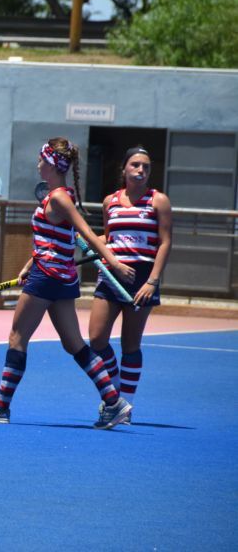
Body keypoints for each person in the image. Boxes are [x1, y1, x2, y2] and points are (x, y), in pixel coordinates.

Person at [0, 137, 137, 429]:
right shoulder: (59, 196)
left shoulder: (59, 198)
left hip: (47, 278)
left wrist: (116, 264)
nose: (38, 164)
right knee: (75, 345)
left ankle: (0, 406)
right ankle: (113, 402)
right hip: (59, 276)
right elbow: (56, 241)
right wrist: (28, 265)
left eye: (42, 160)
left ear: (53, 165)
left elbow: (89, 236)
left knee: (17, 337)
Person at [88, 146, 172, 424]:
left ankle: (127, 405)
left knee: (130, 344)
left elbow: (166, 242)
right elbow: (110, 237)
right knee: (97, 339)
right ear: (124, 169)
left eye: (146, 167)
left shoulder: (158, 201)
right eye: (135, 165)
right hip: (111, 275)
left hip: (142, 278)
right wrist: (94, 246)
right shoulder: (109, 201)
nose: (140, 170)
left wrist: (152, 281)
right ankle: (116, 397)